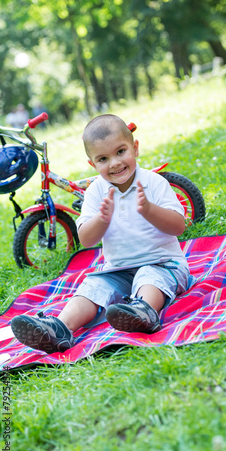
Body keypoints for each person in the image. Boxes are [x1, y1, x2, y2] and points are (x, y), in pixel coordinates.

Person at [11, 114, 193, 354]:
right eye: (103, 159)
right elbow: (87, 239)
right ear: (93, 164)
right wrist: (101, 219)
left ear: (135, 148)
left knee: (149, 276)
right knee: (94, 285)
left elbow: (178, 227)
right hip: (118, 270)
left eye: (120, 152)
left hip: (163, 264)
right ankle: (59, 328)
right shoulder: (96, 192)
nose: (115, 163)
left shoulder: (154, 183)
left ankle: (144, 311)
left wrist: (149, 210)